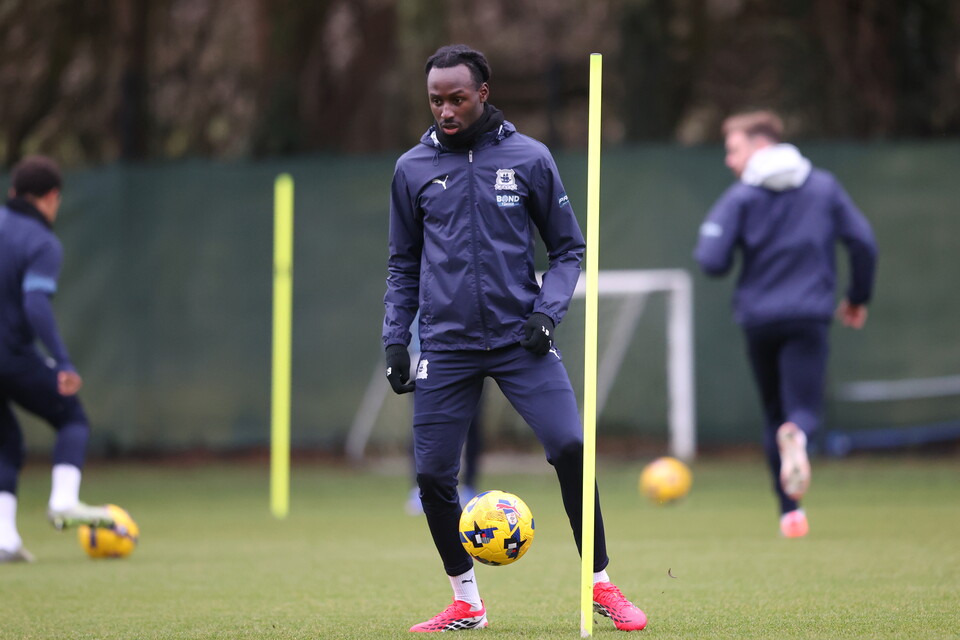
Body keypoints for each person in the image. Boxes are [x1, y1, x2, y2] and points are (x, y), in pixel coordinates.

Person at [382, 45, 646, 632]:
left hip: (520, 339)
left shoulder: (529, 158)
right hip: (445, 346)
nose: (445, 110)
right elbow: (402, 265)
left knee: (572, 447)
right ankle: (466, 601)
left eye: (456, 98)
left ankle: (600, 585)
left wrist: (547, 312)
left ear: (483, 91)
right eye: (435, 99)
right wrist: (397, 340)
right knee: (431, 477)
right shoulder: (411, 169)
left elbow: (569, 250)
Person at [694, 110, 878, 538]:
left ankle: (790, 513)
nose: (728, 161)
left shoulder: (742, 196)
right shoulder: (824, 186)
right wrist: (857, 298)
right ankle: (797, 437)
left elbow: (711, 260)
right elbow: (864, 243)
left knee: (774, 412)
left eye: (733, 150)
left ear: (760, 146)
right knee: (802, 412)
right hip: (809, 315)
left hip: (759, 319)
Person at [0, 155, 115, 564]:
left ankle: (4, 539)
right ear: (51, 197)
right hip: (10, 354)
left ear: (13, 192)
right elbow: (34, 303)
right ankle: (64, 501)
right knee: (72, 417)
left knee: (7, 442)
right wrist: (63, 361)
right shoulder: (42, 242)